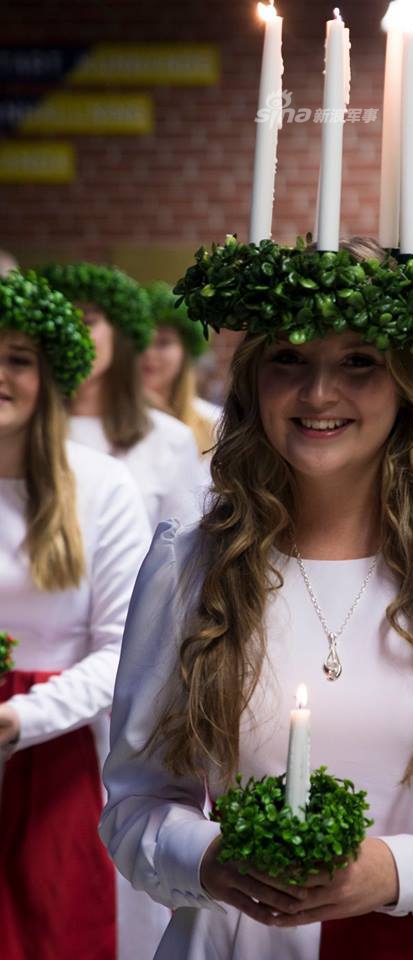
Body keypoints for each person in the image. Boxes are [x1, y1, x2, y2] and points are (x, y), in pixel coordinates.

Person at [100, 238, 413, 960]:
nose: (319, 394)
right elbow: (137, 806)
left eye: (359, 363)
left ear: (408, 384)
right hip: (240, 943)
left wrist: (394, 871)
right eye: (289, 360)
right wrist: (208, 859)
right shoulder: (191, 566)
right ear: (253, 382)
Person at [0, 270, 155, 959]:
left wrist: (19, 717)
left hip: (57, 752)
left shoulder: (101, 485)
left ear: (52, 373)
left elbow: (124, 650)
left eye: (18, 359)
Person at [38, 263, 204, 531]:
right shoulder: (21, 433)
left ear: (120, 334)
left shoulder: (170, 439)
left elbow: (182, 553)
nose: (68, 335)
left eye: (86, 321)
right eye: (59, 322)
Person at [141, 281, 221, 459]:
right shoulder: (102, 422)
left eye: (163, 342)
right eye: (141, 341)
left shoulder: (215, 425)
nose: (149, 353)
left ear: (186, 352)